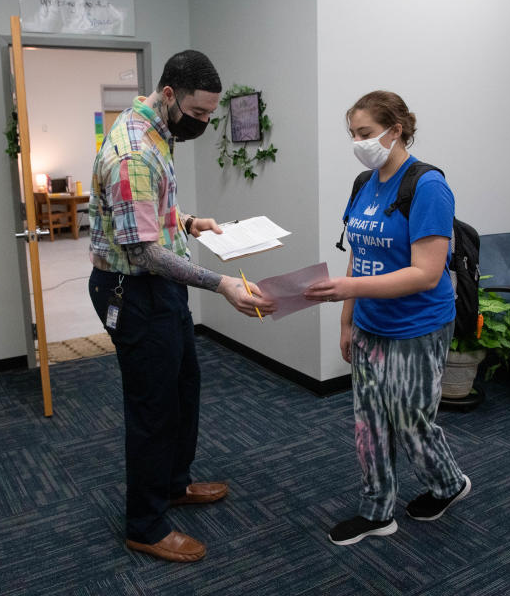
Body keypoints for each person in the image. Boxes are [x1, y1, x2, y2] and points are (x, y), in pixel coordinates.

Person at [87, 50, 276, 563]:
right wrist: (221, 285)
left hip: (158, 287)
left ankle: (173, 484)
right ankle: (145, 525)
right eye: (197, 114)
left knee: (182, 389)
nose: (203, 124)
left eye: (210, 116)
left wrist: (190, 223)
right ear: (168, 94)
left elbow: (149, 215)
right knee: (153, 410)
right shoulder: (132, 151)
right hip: (136, 290)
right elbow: (142, 250)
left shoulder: (155, 130)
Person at [304, 90, 470, 546]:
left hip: (418, 324)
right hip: (370, 324)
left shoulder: (428, 185)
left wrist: (349, 290)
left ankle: (449, 483)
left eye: (365, 133)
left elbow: (426, 272)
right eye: (353, 135)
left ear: (395, 130)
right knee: (369, 421)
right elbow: (359, 258)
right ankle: (378, 510)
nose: (358, 142)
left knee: (410, 419)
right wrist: (346, 319)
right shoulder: (364, 184)